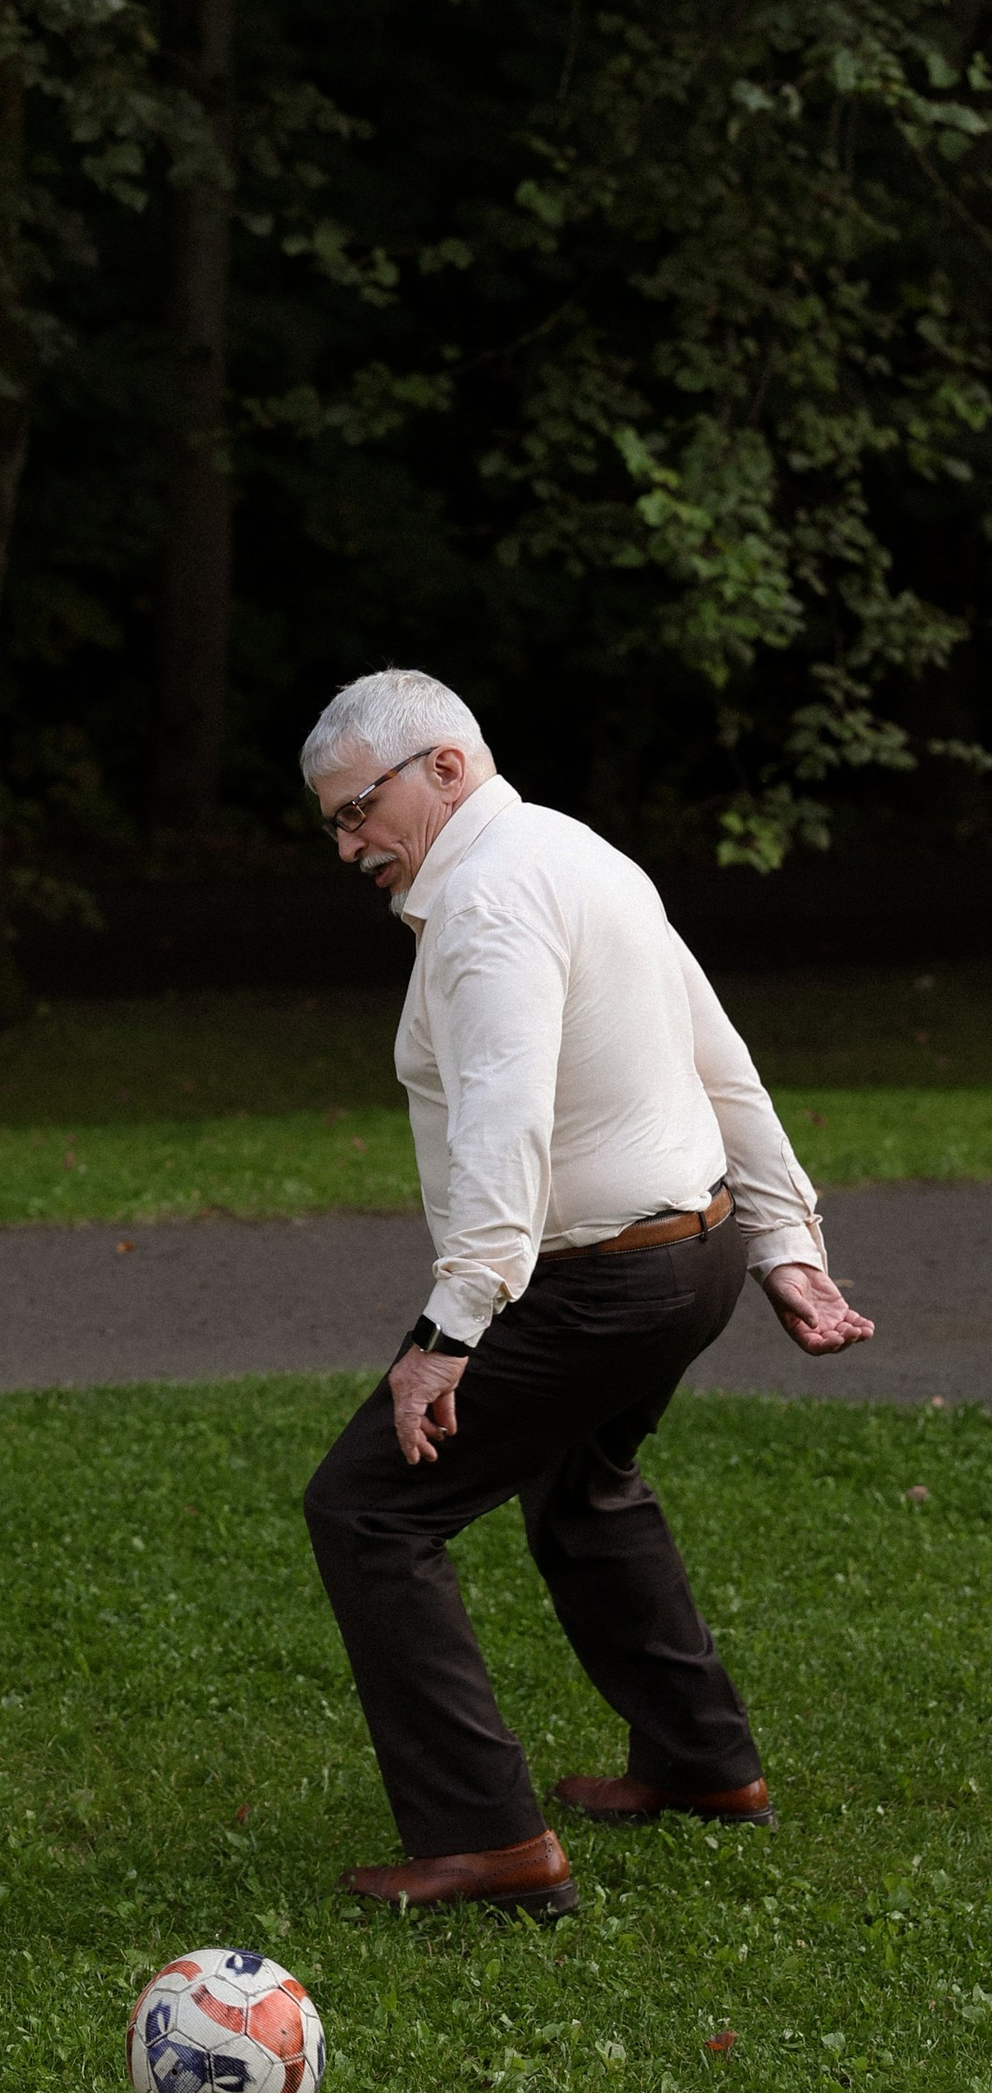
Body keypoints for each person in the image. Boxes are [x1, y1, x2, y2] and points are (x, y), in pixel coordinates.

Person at [295, 668, 873, 1919]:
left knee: (369, 1512)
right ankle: (701, 1763)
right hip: (689, 1257)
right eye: (332, 823)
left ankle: (487, 1844)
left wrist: (447, 1334)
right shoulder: (574, 853)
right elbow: (720, 1056)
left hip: (599, 1277)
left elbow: (503, 1127)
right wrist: (777, 1240)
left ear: (445, 767)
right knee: (579, 1479)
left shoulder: (491, 902)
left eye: (357, 811)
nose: (348, 846)